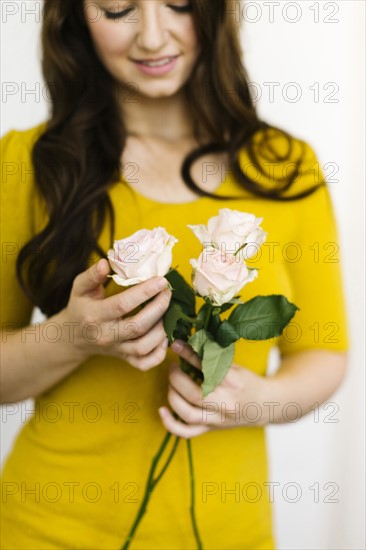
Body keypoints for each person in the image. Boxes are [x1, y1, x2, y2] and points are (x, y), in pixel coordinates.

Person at [0, 0, 350, 548]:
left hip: (230, 533)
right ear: (73, 17)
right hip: (47, 529)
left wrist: (254, 401)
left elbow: (324, 353)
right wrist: (71, 336)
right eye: (118, 9)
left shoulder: (286, 167)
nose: (152, 36)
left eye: (179, 4)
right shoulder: (27, 163)